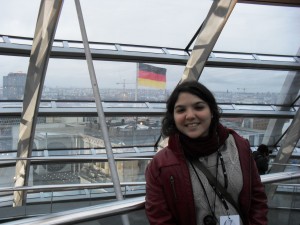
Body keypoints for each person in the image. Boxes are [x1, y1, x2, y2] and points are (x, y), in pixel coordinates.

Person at [145, 80, 268, 225]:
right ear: (173, 117)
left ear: (212, 111)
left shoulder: (239, 147)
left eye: (199, 107)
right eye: (181, 110)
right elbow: (160, 219)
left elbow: (256, 200)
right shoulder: (160, 165)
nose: (190, 115)